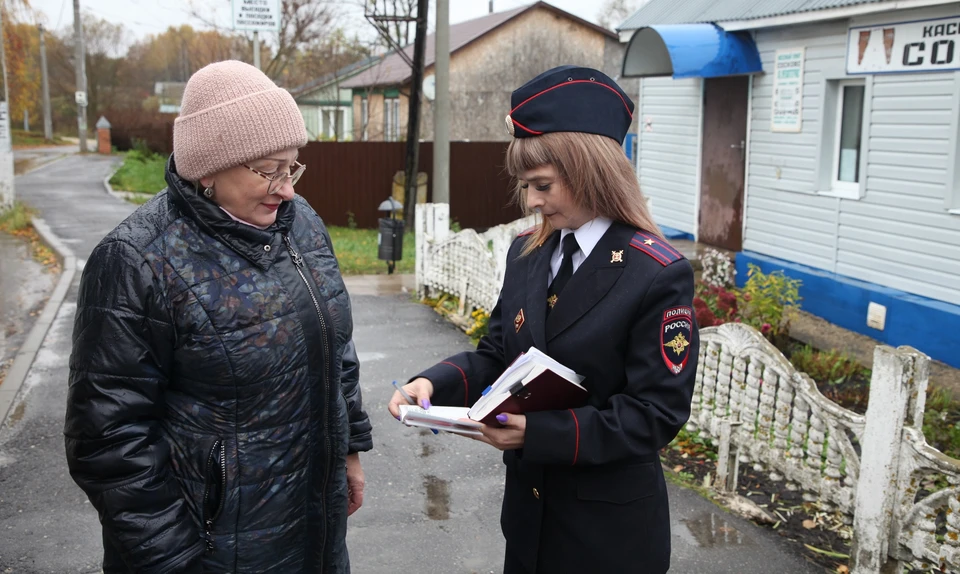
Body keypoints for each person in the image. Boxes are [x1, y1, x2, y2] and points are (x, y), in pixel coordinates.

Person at [64, 60, 372, 574]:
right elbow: (108, 437)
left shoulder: (303, 225)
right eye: (269, 169)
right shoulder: (136, 259)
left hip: (313, 529)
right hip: (208, 550)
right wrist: (170, 558)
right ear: (208, 167)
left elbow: (335, 346)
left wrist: (350, 449)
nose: (287, 188)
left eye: (292, 166)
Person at [388, 65, 699, 574]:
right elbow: (497, 355)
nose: (531, 201)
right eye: (525, 186)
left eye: (543, 185)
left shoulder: (655, 273)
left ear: (593, 172)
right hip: (531, 517)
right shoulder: (527, 254)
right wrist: (432, 384)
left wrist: (539, 433)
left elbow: (655, 415)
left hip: (609, 536)